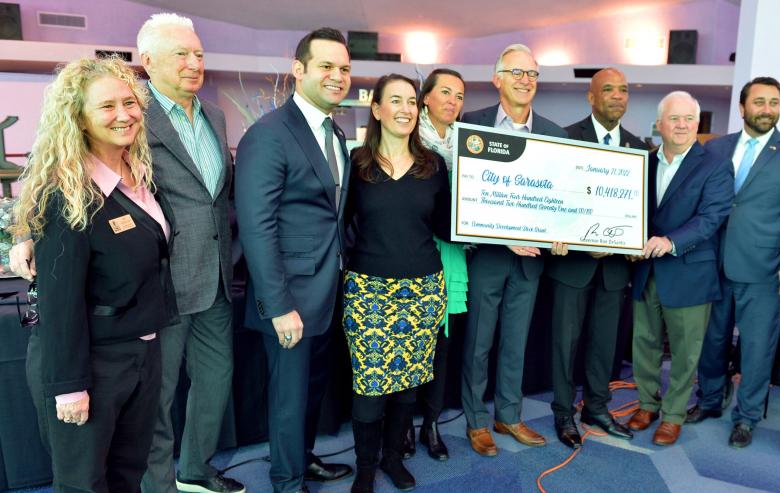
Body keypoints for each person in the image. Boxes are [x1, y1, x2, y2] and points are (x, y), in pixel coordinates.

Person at [8, 13, 244, 493]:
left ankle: (192, 472)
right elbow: (59, 290)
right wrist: (25, 233)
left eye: (198, 52)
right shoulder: (83, 171)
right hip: (117, 329)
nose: (125, 115)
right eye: (181, 53)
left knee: (139, 456)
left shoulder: (179, 147)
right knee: (103, 462)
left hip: (182, 306)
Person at [16, 57, 178, 493]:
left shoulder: (142, 175)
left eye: (130, 102)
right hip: (89, 364)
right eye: (107, 106)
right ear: (79, 118)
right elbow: (59, 301)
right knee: (84, 484)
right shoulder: (65, 193)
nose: (123, 114)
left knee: (128, 476)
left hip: (142, 353)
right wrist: (70, 387)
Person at [235, 28, 354, 493]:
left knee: (311, 392)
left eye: (344, 68)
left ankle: (303, 461)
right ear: (299, 70)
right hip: (288, 298)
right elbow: (256, 227)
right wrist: (279, 304)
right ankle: (286, 481)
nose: (337, 76)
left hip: (326, 291)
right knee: (288, 397)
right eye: (326, 66)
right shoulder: (268, 134)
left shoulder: (333, 131)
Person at [688, 77, 780, 448]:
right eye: (759, 102)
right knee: (711, 340)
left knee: (757, 346)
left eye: (774, 102)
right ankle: (710, 401)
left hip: (765, 269)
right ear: (742, 107)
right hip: (712, 263)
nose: (767, 109)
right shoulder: (715, 148)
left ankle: (746, 417)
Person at [343, 73, 451, 493]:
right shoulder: (355, 163)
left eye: (412, 102)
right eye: (397, 101)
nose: (406, 109)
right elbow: (338, 225)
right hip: (368, 290)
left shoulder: (434, 166)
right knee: (370, 387)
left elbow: (448, 227)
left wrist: (511, 236)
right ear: (377, 109)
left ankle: (392, 458)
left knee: (408, 386)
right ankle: (366, 468)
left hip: (424, 289)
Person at [459, 43, 567, 457]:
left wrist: (563, 233)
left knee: (515, 342)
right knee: (479, 342)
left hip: (532, 261)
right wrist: (502, 235)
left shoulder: (554, 135)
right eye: (517, 73)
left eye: (532, 74)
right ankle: (475, 421)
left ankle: (509, 414)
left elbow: (562, 199)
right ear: (497, 78)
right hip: (488, 256)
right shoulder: (473, 126)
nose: (526, 81)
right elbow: (465, 197)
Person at [626, 91, 734, 446]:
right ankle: (647, 404)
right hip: (645, 269)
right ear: (659, 125)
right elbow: (631, 212)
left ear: (697, 123)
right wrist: (627, 242)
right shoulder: (644, 162)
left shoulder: (714, 164)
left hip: (689, 270)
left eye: (689, 118)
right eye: (674, 118)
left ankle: (672, 414)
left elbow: (712, 217)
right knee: (644, 342)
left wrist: (669, 241)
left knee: (687, 351)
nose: (682, 125)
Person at [547, 67, 646, 449]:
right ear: (591, 97)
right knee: (564, 344)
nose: (618, 96)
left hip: (615, 269)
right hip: (572, 264)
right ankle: (562, 412)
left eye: (623, 90)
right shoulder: (565, 138)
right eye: (608, 90)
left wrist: (632, 241)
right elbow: (553, 201)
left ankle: (597, 408)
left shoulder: (639, 148)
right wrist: (564, 236)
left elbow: (640, 209)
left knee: (605, 344)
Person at [400, 68, 468, 462]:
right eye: (445, 92)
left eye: (459, 96)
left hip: (455, 253)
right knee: (411, 341)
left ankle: (432, 423)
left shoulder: (470, 142)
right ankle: (405, 424)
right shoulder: (407, 139)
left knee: (442, 345)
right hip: (416, 249)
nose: (453, 101)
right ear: (425, 97)